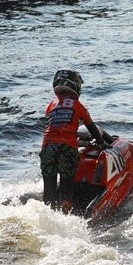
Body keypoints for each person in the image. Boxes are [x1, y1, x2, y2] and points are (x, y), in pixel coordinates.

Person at [40, 70, 111, 214]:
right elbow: (90, 126)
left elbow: (53, 125)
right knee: (66, 186)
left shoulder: (51, 105)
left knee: (49, 190)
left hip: (47, 147)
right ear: (76, 86)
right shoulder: (78, 105)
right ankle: (66, 216)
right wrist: (101, 142)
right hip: (67, 148)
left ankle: (47, 214)